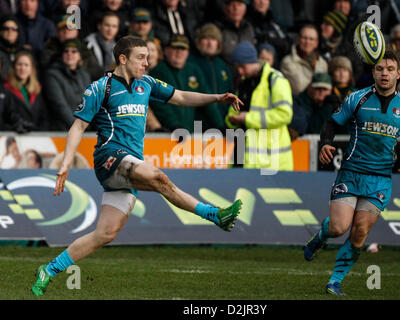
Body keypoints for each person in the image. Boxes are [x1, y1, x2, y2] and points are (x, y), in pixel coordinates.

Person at [31, 36, 243, 296]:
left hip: (129, 163)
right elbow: (78, 126)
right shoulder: (101, 88)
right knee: (159, 177)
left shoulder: (147, 84)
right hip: (110, 157)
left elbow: (181, 96)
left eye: (148, 56)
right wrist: (65, 164)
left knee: (105, 234)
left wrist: (217, 97)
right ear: (122, 59)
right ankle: (215, 215)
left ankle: (48, 270)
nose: (147, 62)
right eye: (141, 57)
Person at [303, 49, 400, 296]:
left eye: (390, 69)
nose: (385, 73)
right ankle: (322, 235)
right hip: (351, 172)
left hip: (380, 179)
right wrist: (326, 143)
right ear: (373, 72)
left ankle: (335, 282)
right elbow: (331, 124)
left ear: (398, 74)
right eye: (380, 69)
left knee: (359, 233)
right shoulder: (356, 99)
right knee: (339, 228)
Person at [225, 40, 294, 171]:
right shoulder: (244, 84)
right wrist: (232, 120)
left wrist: (247, 118)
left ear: (253, 62)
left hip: (271, 162)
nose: (240, 71)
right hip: (243, 158)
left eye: (242, 66)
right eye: (237, 67)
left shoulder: (275, 80)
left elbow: (285, 114)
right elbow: (232, 112)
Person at [149, 34, 225, 132]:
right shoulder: (158, 71)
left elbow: (207, 100)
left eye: (183, 49)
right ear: (166, 50)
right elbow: (159, 105)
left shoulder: (193, 70)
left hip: (189, 133)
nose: (179, 52)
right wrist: (174, 125)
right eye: (175, 48)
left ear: (188, 52)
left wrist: (220, 126)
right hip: (166, 133)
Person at [189, 23, 234, 130]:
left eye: (213, 39)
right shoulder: (191, 63)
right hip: (198, 123)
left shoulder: (222, 65)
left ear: (218, 44)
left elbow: (231, 92)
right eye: (205, 38)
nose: (209, 43)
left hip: (223, 123)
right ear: (198, 42)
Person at [43, 38, 91, 130]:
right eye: (66, 51)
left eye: (74, 51)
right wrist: (77, 128)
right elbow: (59, 106)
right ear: (61, 55)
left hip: (83, 130)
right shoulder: (52, 75)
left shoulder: (85, 75)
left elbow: (90, 103)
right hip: (60, 131)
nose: (69, 54)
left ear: (80, 56)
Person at [4, 50, 49, 131]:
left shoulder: (37, 89)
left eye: (26, 65)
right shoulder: (5, 89)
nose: (22, 68)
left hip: (36, 137)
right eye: (19, 64)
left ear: (31, 69)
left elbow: (44, 117)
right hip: (14, 136)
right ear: (14, 67)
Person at [280, 24, 328, 95]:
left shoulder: (322, 63)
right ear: (298, 40)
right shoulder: (288, 62)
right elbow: (300, 88)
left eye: (311, 39)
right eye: (304, 38)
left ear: (316, 43)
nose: (307, 42)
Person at [289, 73, 333, 139]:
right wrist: (327, 109)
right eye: (317, 88)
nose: (321, 92)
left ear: (330, 90)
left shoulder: (334, 103)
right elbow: (312, 129)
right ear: (310, 88)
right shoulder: (299, 103)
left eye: (325, 89)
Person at [214, 0, 256, 65]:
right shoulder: (218, 29)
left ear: (245, 8)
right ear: (225, 8)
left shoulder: (249, 28)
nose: (236, 8)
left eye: (239, 4)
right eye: (232, 5)